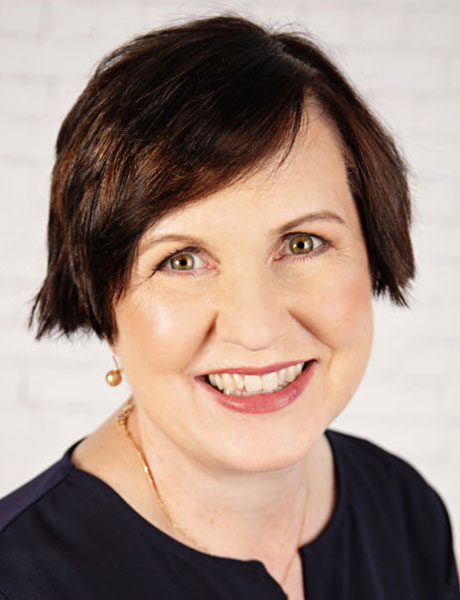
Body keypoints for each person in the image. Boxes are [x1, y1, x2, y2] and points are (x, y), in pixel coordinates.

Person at [0, 14, 458, 600]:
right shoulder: (21, 580)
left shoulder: (407, 512)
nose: (257, 328)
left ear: (374, 248)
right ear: (99, 299)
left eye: (302, 243)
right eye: (182, 259)